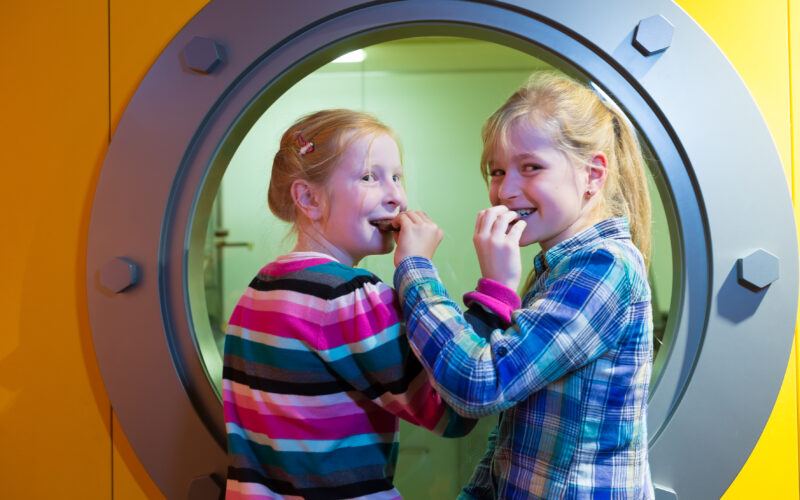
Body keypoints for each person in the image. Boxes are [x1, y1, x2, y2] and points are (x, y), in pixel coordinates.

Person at [392, 73, 655, 499]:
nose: (505, 190)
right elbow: (513, 440)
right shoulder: (558, 269)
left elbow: (478, 385)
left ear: (592, 174)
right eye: (497, 171)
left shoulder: (603, 267)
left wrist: (415, 269)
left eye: (530, 167)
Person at [222, 109, 474, 500]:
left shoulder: (258, 290)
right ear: (309, 198)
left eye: (397, 177)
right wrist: (488, 290)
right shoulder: (350, 296)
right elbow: (456, 409)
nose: (397, 197)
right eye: (370, 177)